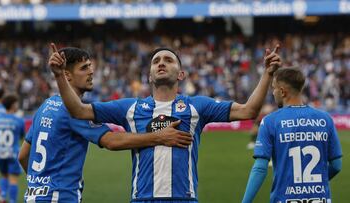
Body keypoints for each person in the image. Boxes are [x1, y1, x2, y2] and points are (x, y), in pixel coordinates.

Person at [51, 43, 281, 202]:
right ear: (150, 75)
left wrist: (268, 74)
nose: (161, 63)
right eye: (156, 61)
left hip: (184, 198)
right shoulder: (130, 107)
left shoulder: (197, 106)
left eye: (168, 60)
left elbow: (249, 110)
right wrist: (61, 76)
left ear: (180, 74)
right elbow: (79, 110)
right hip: (142, 198)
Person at [18, 46, 192, 202]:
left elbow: (23, 155)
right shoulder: (71, 111)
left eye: (90, 66)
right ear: (67, 75)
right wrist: (158, 137)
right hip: (60, 197)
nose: (91, 72)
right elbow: (111, 141)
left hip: (34, 196)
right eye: (84, 68)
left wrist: (40, 185)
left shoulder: (45, 106)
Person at [242, 67, 342, 203]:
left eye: (274, 88)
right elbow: (336, 165)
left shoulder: (271, 121)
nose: (273, 93)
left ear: (282, 91)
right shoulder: (325, 119)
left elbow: (260, 168)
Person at [0, 94, 24, 203]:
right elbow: (21, 136)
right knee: (13, 179)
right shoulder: (19, 120)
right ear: (13, 105)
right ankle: (11, 200)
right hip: (12, 153)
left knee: (4, 176)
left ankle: (3, 195)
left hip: (0, 153)